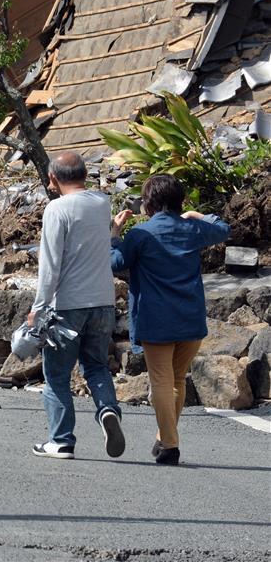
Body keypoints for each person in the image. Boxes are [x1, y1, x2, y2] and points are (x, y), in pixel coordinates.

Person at [110, 174, 229, 466]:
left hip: (156, 320)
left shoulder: (141, 235)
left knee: (161, 382)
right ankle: (165, 438)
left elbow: (116, 263)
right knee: (177, 380)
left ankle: (171, 445)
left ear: (148, 204)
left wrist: (114, 233)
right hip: (190, 319)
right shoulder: (191, 228)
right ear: (180, 201)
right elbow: (222, 228)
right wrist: (195, 214)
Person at [27, 151, 125, 460]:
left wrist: (39, 307)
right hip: (103, 303)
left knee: (57, 374)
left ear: (53, 179)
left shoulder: (56, 209)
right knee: (96, 365)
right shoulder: (102, 203)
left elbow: (50, 266)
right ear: (84, 174)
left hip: (68, 305)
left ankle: (61, 441)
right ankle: (108, 409)